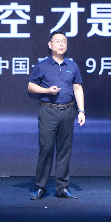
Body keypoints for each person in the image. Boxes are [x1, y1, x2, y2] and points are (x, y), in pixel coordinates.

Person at [26, 31, 86, 199]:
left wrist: (81, 110)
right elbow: (31, 86)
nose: (61, 44)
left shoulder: (72, 66)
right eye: (57, 41)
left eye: (64, 41)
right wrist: (47, 90)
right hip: (48, 111)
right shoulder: (42, 66)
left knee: (65, 150)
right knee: (46, 148)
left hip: (68, 111)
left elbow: (77, 88)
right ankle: (40, 187)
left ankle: (62, 187)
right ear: (50, 44)